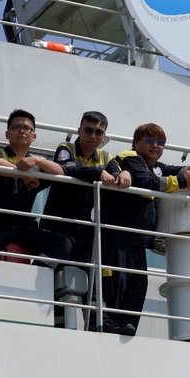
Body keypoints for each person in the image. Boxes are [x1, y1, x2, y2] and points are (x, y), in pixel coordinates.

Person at [101, 124, 190, 335]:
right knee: (114, 286)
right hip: (117, 238)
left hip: (139, 243)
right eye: (149, 140)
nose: (155, 146)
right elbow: (147, 181)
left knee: (136, 289)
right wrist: (186, 180)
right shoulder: (129, 158)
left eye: (160, 142)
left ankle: (127, 328)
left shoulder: (155, 166)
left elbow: (177, 170)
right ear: (136, 142)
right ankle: (107, 324)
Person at [0, 109, 73, 263]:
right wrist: (25, 175)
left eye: (27, 128)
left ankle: (36, 275)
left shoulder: (36, 163)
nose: (22, 131)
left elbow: (61, 172)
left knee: (63, 243)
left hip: (23, 227)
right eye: (16, 127)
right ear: (7, 134)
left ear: (34, 136)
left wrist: (39, 161)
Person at [42, 111, 116, 266]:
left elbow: (116, 175)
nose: (93, 135)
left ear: (104, 136)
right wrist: (98, 172)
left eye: (99, 132)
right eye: (88, 130)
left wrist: (125, 174)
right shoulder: (66, 147)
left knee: (86, 271)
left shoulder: (106, 157)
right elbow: (68, 169)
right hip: (57, 222)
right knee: (51, 270)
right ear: (79, 131)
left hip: (85, 226)